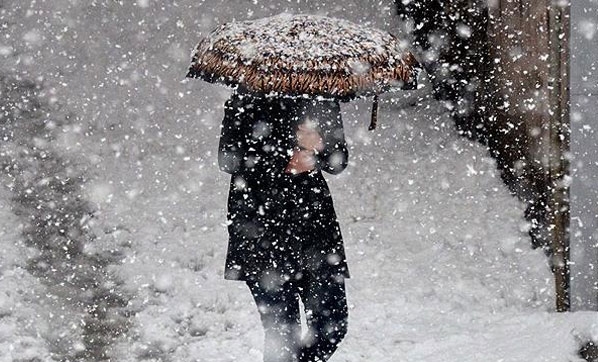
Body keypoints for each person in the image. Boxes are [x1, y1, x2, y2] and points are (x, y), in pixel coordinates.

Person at [218, 88, 350, 362]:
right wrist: (284, 158)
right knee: (283, 334)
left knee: (332, 324)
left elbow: (339, 161)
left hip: (314, 228)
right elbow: (228, 158)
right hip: (260, 228)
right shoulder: (246, 96)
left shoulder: (321, 93)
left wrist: (319, 148)